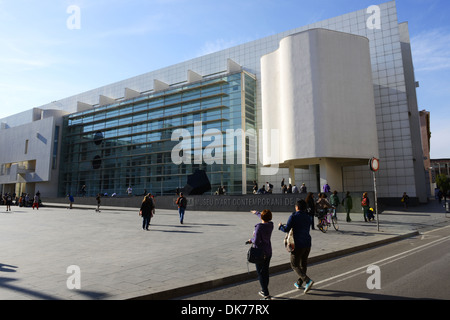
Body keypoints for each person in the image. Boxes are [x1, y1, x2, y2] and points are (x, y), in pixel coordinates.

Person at [279, 200, 314, 294]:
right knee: (303, 264)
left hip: (298, 244)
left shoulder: (294, 216)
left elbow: (286, 228)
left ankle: (307, 281)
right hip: (307, 243)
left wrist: (280, 226)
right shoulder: (308, 217)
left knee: (294, 264)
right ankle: (299, 283)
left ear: (297, 207)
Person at [248, 209, 273, 300]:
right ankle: (264, 290)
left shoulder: (259, 227)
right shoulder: (270, 225)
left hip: (260, 253)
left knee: (260, 274)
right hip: (268, 252)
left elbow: (257, 241)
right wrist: (257, 213)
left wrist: (251, 240)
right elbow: (264, 218)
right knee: (265, 272)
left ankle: (266, 294)